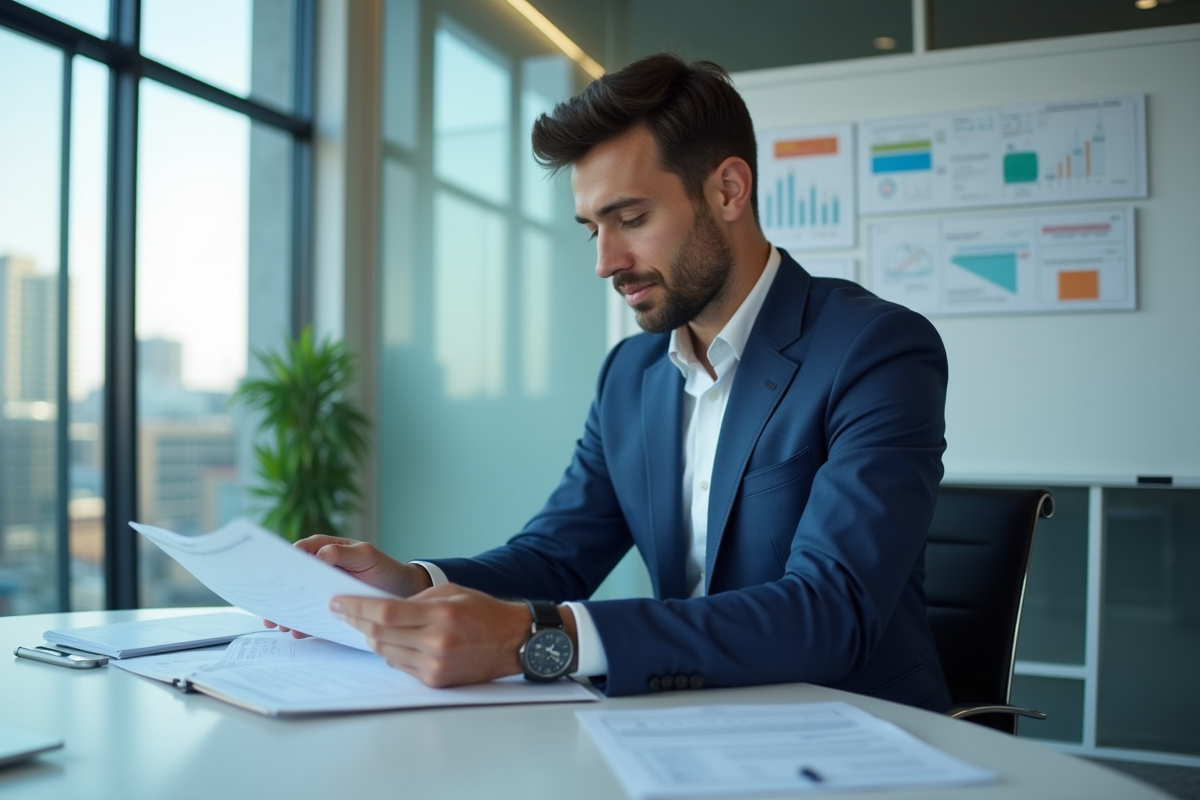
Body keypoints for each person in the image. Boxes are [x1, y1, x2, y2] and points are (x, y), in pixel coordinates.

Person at [271, 53, 952, 710]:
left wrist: (545, 639)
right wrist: (412, 582)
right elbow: (556, 557)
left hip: (858, 733)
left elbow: (832, 610)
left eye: (631, 219)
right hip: (690, 724)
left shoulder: (874, 349)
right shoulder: (632, 375)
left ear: (728, 190)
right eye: (592, 228)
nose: (605, 262)